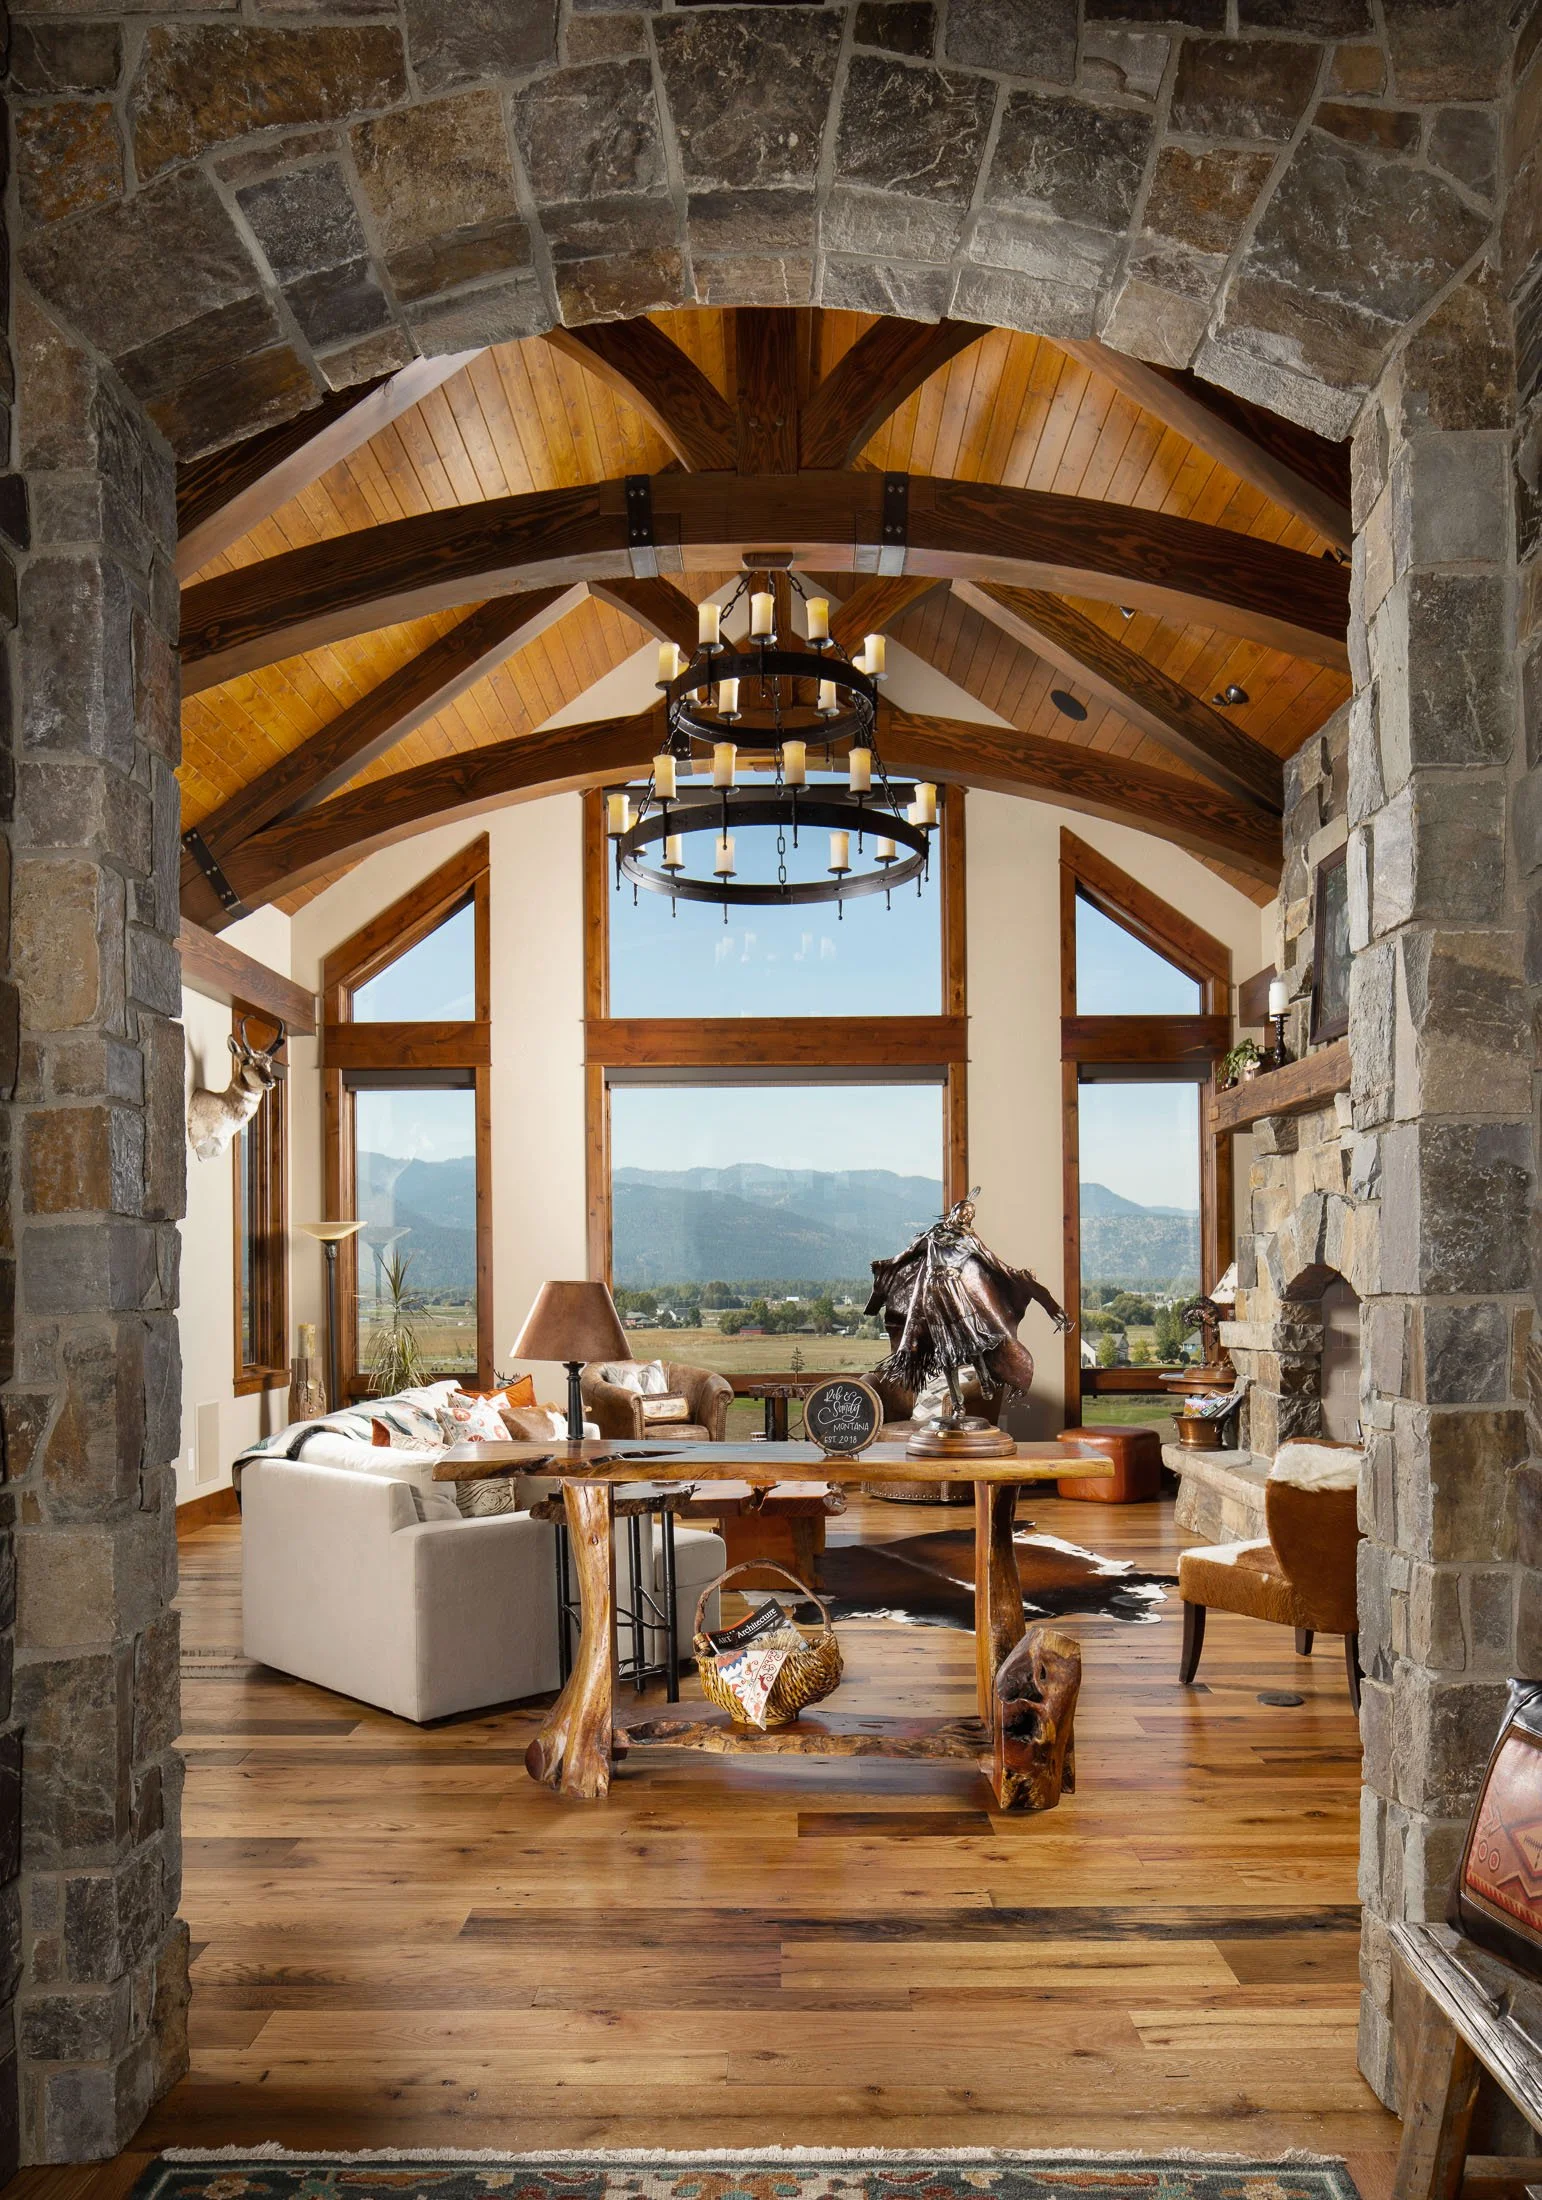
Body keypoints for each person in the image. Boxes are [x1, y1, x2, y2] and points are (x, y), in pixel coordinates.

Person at [867, 1193, 1071, 1424]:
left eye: (970, 1215)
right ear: (955, 1211)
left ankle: (984, 1378)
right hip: (932, 1296)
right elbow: (909, 1254)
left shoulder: (969, 1240)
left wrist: (1020, 1276)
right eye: (964, 1212)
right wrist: (887, 1265)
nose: (966, 1217)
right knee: (945, 1354)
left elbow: (996, 1264)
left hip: (954, 1294)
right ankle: (958, 1405)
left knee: (972, 1340)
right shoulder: (933, 1234)